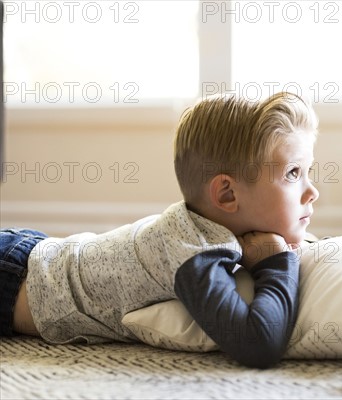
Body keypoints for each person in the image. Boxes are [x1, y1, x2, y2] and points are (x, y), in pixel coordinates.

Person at [0, 92, 320, 369]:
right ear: (227, 194)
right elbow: (257, 344)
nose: (312, 191)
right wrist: (277, 263)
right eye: (294, 173)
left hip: (30, 255)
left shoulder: (204, 229)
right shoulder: (191, 252)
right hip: (11, 281)